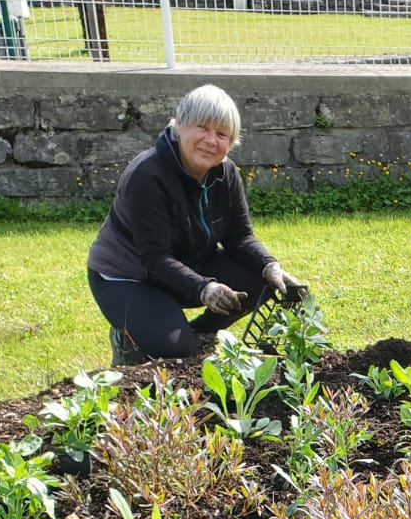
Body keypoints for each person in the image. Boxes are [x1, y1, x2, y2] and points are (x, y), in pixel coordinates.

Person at [87, 84, 306, 365]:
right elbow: (154, 257)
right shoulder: (148, 175)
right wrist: (205, 288)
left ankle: (201, 334)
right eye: (202, 127)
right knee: (173, 350)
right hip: (131, 278)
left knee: (259, 278)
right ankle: (127, 337)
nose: (211, 140)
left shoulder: (225, 173)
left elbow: (239, 236)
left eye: (221, 134)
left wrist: (269, 265)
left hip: (187, 266)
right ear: (179, 125)